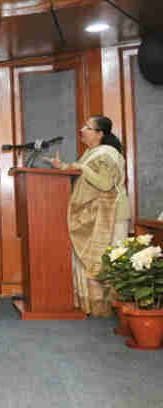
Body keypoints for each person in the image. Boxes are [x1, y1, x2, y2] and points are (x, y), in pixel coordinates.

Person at [43, 115, 130, 316]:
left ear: (100, 133)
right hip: (95, 215)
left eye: (87, 127)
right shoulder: (92, 152)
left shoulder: (107, 153)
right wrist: (63, 167)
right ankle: (94, 306)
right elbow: (84, 177)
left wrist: (80, 167)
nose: (81, 130)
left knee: (111, 261)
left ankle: (113, 308)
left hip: (111, 215)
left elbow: (105, 184)